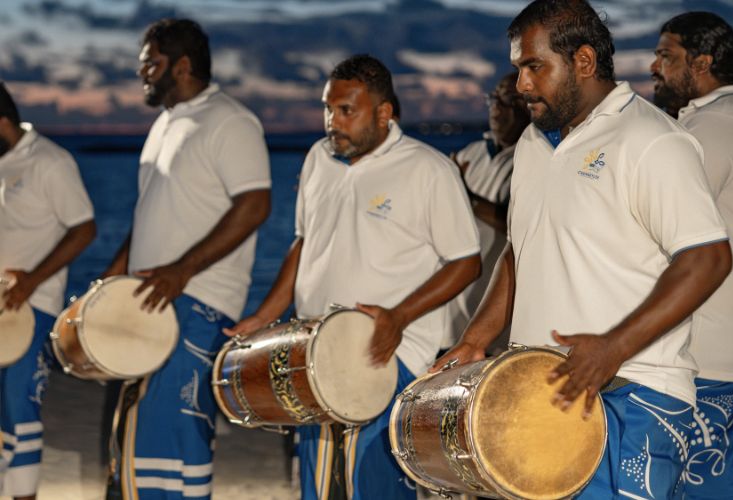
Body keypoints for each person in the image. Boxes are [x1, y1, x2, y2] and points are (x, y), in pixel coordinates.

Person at [433, 0, 733, 498]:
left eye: (534, 66)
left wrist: (613, 347)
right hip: (544, 393)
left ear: (584, 62)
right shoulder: (531, 144)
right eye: (518, 69)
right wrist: (476, 338)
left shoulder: (653, 140)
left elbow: (708, 257)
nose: (522, 85)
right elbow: (519, 249)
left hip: (635, 394)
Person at [225, 54, 481, 500]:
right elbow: (304, 244)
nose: (332, 121)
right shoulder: (317, 160)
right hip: (315, 352)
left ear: (384, 113)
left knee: (375, 484)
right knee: (320, 484)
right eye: (328, 108)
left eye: (346, 111)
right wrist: (265, 316)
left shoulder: (428, 169)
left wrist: (398, 318)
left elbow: (466, 262)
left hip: (389, 355)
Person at [102, 19, 271, 500]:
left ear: (181, 65)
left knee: (176, 435)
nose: (143, 75)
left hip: (197, 301)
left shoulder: (229, 120)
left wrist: (182, 270)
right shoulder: (165, 124)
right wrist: (114, 275)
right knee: (137, 436)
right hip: (151, 302)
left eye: (150, 64)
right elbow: (149, 214)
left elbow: (255, 204)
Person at [652, 12, 733, 498]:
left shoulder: (718, 126)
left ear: (702, 63)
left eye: (667, 55)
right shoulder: (721, 121)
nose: (653, 65)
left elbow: (658, 223)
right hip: (728, 344)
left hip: (713, 352)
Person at [0, 82, 96, 500]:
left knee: (19, 407)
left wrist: (32, 280)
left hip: (34, 307)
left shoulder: (51, 162)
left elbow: (84, 228)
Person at [446, 71, 529, 350]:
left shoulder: (532, 157)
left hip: (498, 308)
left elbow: (514, 224)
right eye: (493, 99)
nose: (497, 107)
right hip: (455, 304)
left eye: (508, 101)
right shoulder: (472, 152)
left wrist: (462, 193)